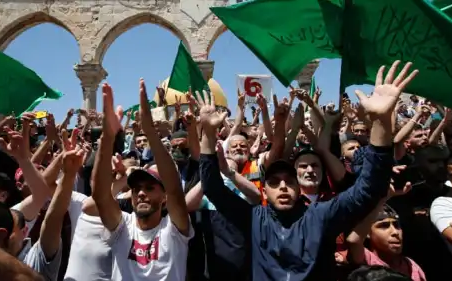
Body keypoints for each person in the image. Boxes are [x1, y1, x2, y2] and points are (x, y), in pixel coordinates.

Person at [199, 60, 418, 280]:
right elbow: (213, 187)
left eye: (289, 181)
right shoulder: (254, 218)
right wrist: (208, 133)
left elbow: (369, 189)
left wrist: (381, 122)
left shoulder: (320, 215)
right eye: (274, 182)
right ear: (264, 191)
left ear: (298, 187)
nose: (283, 186)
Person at [91, 80, 193, 281]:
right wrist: (107, 139)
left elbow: (174, 189)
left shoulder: (174, 230)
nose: (141, 193)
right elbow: (101, 196)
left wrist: (150, 132)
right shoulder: (122, 228)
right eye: (136, 189)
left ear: (164, 198)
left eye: (149, 187)